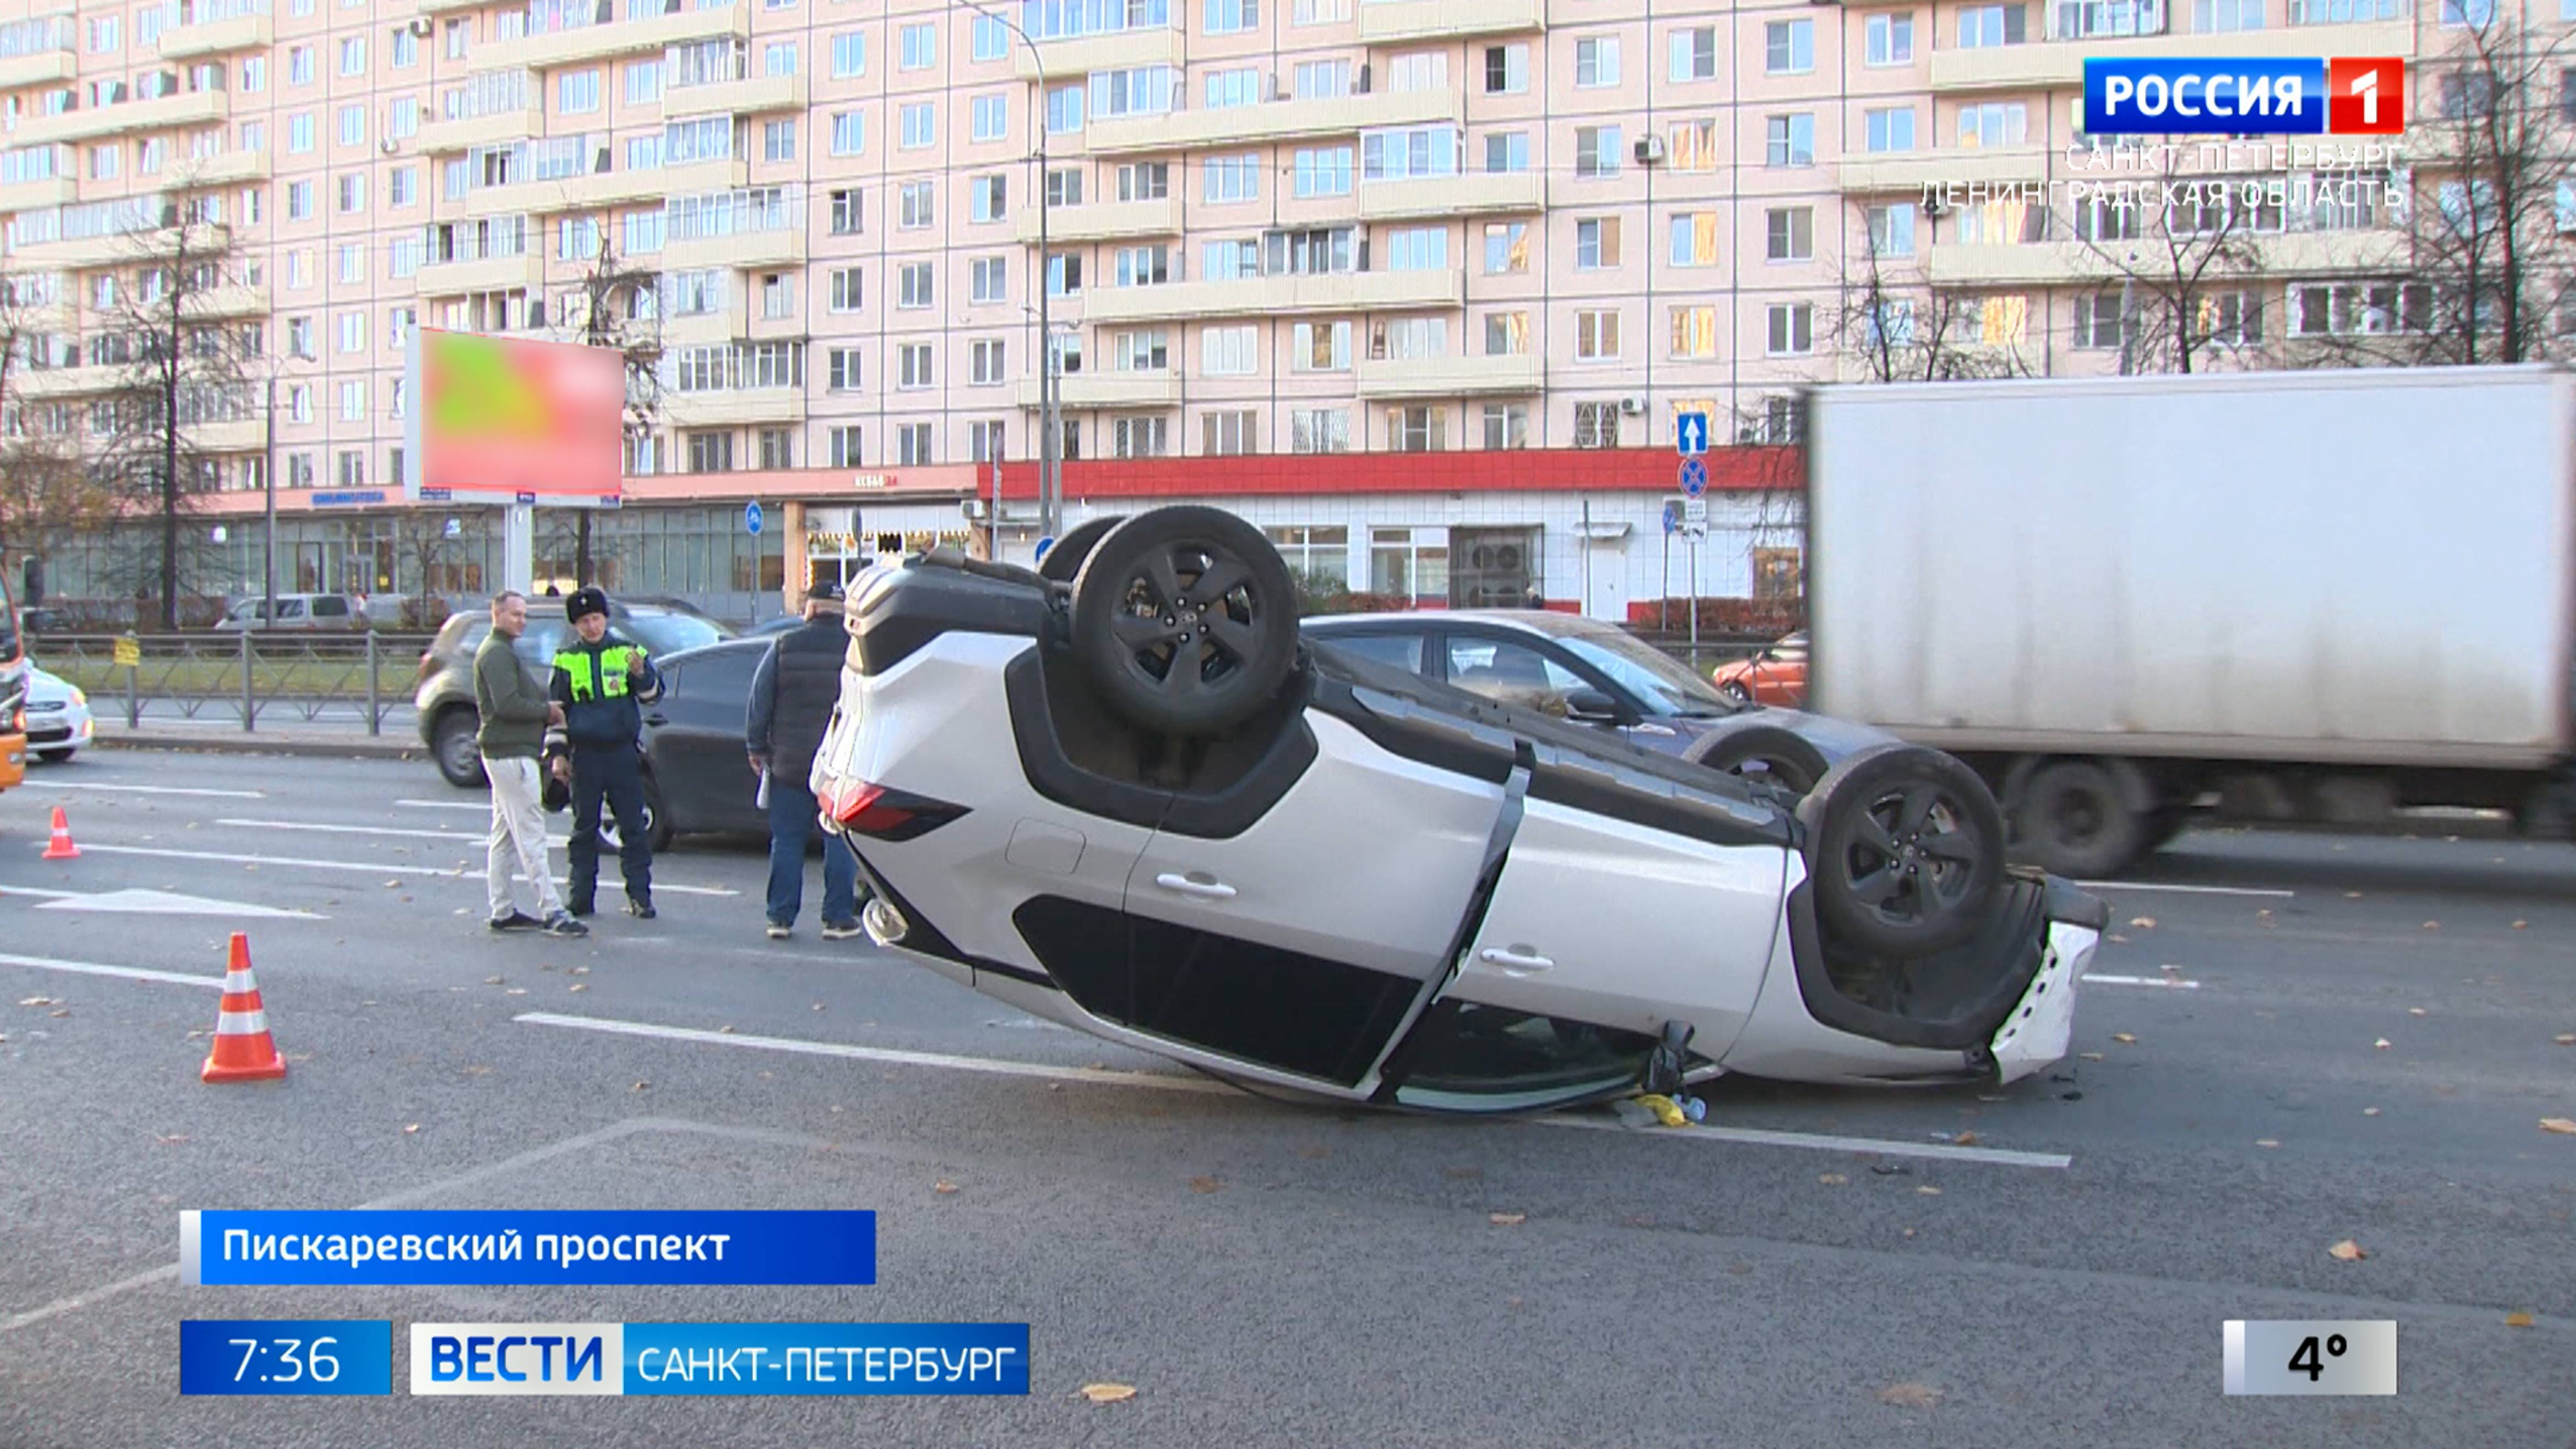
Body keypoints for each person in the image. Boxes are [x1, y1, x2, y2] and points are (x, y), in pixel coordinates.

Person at [746, 582, 863, 940]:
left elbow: (759, 700)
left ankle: (779, 917)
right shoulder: (856, 653)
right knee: (839, 841)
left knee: (787, 840)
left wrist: (757, 747)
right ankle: (838, 917)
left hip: (790, 763)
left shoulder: (783, 646)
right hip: (839, 765)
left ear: (810, 609)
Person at [544, 587, 662, 919]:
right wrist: (558, 754)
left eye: (596, 619)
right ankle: (581, 897)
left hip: (622, 753)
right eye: (584, 621)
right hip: (586, 754)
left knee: (633, 828)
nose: (592, 627)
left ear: (605, 618)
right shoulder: (567, 659)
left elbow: (653, 696)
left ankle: (640, 896)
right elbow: (557, 711)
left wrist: (642, 675)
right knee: (584, 830)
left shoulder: (628, 652)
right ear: (576, 626)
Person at [473, 590, 586, 938]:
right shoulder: (496, 654)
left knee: (504, 836)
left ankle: (503, 908)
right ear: (497, 614)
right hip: (510, 753)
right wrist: (547, 712)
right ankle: (552, 910)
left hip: (507, 751)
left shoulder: (502, 652)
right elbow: (507, 703)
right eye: (515, 615)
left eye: (524, 615)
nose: (521, 621)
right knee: (532, 835)